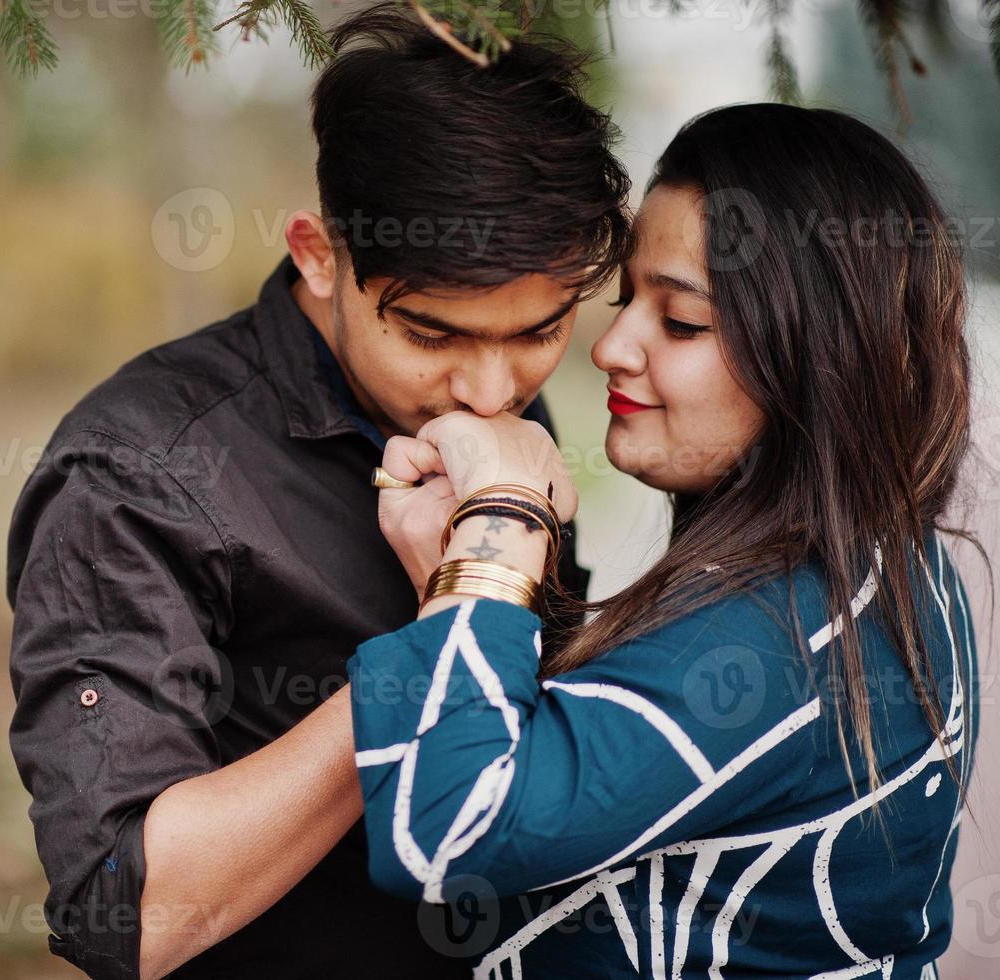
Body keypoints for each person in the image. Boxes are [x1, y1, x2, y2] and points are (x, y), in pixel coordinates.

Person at [3, 5, 630, 977]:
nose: (494, 392)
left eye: (539, 332)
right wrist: (451, 629)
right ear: (318, 253)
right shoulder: (134, 472)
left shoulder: (498, 407)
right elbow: (127, 908)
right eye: (432, 335)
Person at [353, 103, 982, 977]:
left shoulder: (774, 640)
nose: (610, 347)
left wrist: (499, 523)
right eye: (623, 301)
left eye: (680, 322)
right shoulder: (886, 558)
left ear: (816, 355)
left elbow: (447, 834)